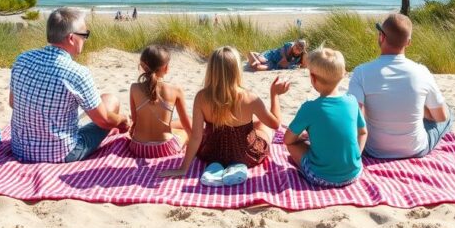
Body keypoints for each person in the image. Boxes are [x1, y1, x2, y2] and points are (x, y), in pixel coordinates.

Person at [9, 8, 130, 163]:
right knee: (111, 101)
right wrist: (122, 120)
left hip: (20, 149)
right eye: (85, 35)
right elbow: (104, 120)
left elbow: (13, 103)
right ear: (72, 38)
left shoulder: (22, 59)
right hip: (61, 153)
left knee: (103, 100)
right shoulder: (76, 73)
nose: (86, 39)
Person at [159, 46, 289, 183]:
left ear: (211, 70)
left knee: (254, 124)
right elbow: (275, 124)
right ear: (236, 70)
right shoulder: (250, 98)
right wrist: (274, 95)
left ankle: (215, 168)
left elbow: (196, 137)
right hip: (245, 155)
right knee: (264, 127)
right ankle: (236, 167)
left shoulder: (201, 97)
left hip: (211, 153)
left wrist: (183, 168)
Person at [348, 13, 453, 160]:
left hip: (374, 149)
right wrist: (419, 109)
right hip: (414, 149)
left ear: (381, 37)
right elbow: (441, 117)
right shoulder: (421, 71)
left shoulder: (361, 72)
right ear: (408, 42)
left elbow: (354, 116)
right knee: (449, 113)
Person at [284, 47, 366, 187]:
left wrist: (302, 137)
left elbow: (287, 139)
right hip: (354, 173)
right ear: (344, 74)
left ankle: (304, 167)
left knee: (294, 144)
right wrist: (357, 154)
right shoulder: (352, 101)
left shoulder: (309, 108)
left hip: (320, 177)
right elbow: (363, 132)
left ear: (313, 78)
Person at [128, 45, 192, 158]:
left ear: (142, 66)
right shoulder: (176, 90)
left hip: (138, 148)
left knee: (175, 125)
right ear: (166, 67)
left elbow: (135, 119)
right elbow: (186, 123)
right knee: (184, 131)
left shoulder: (134, 88)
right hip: (165, 148)